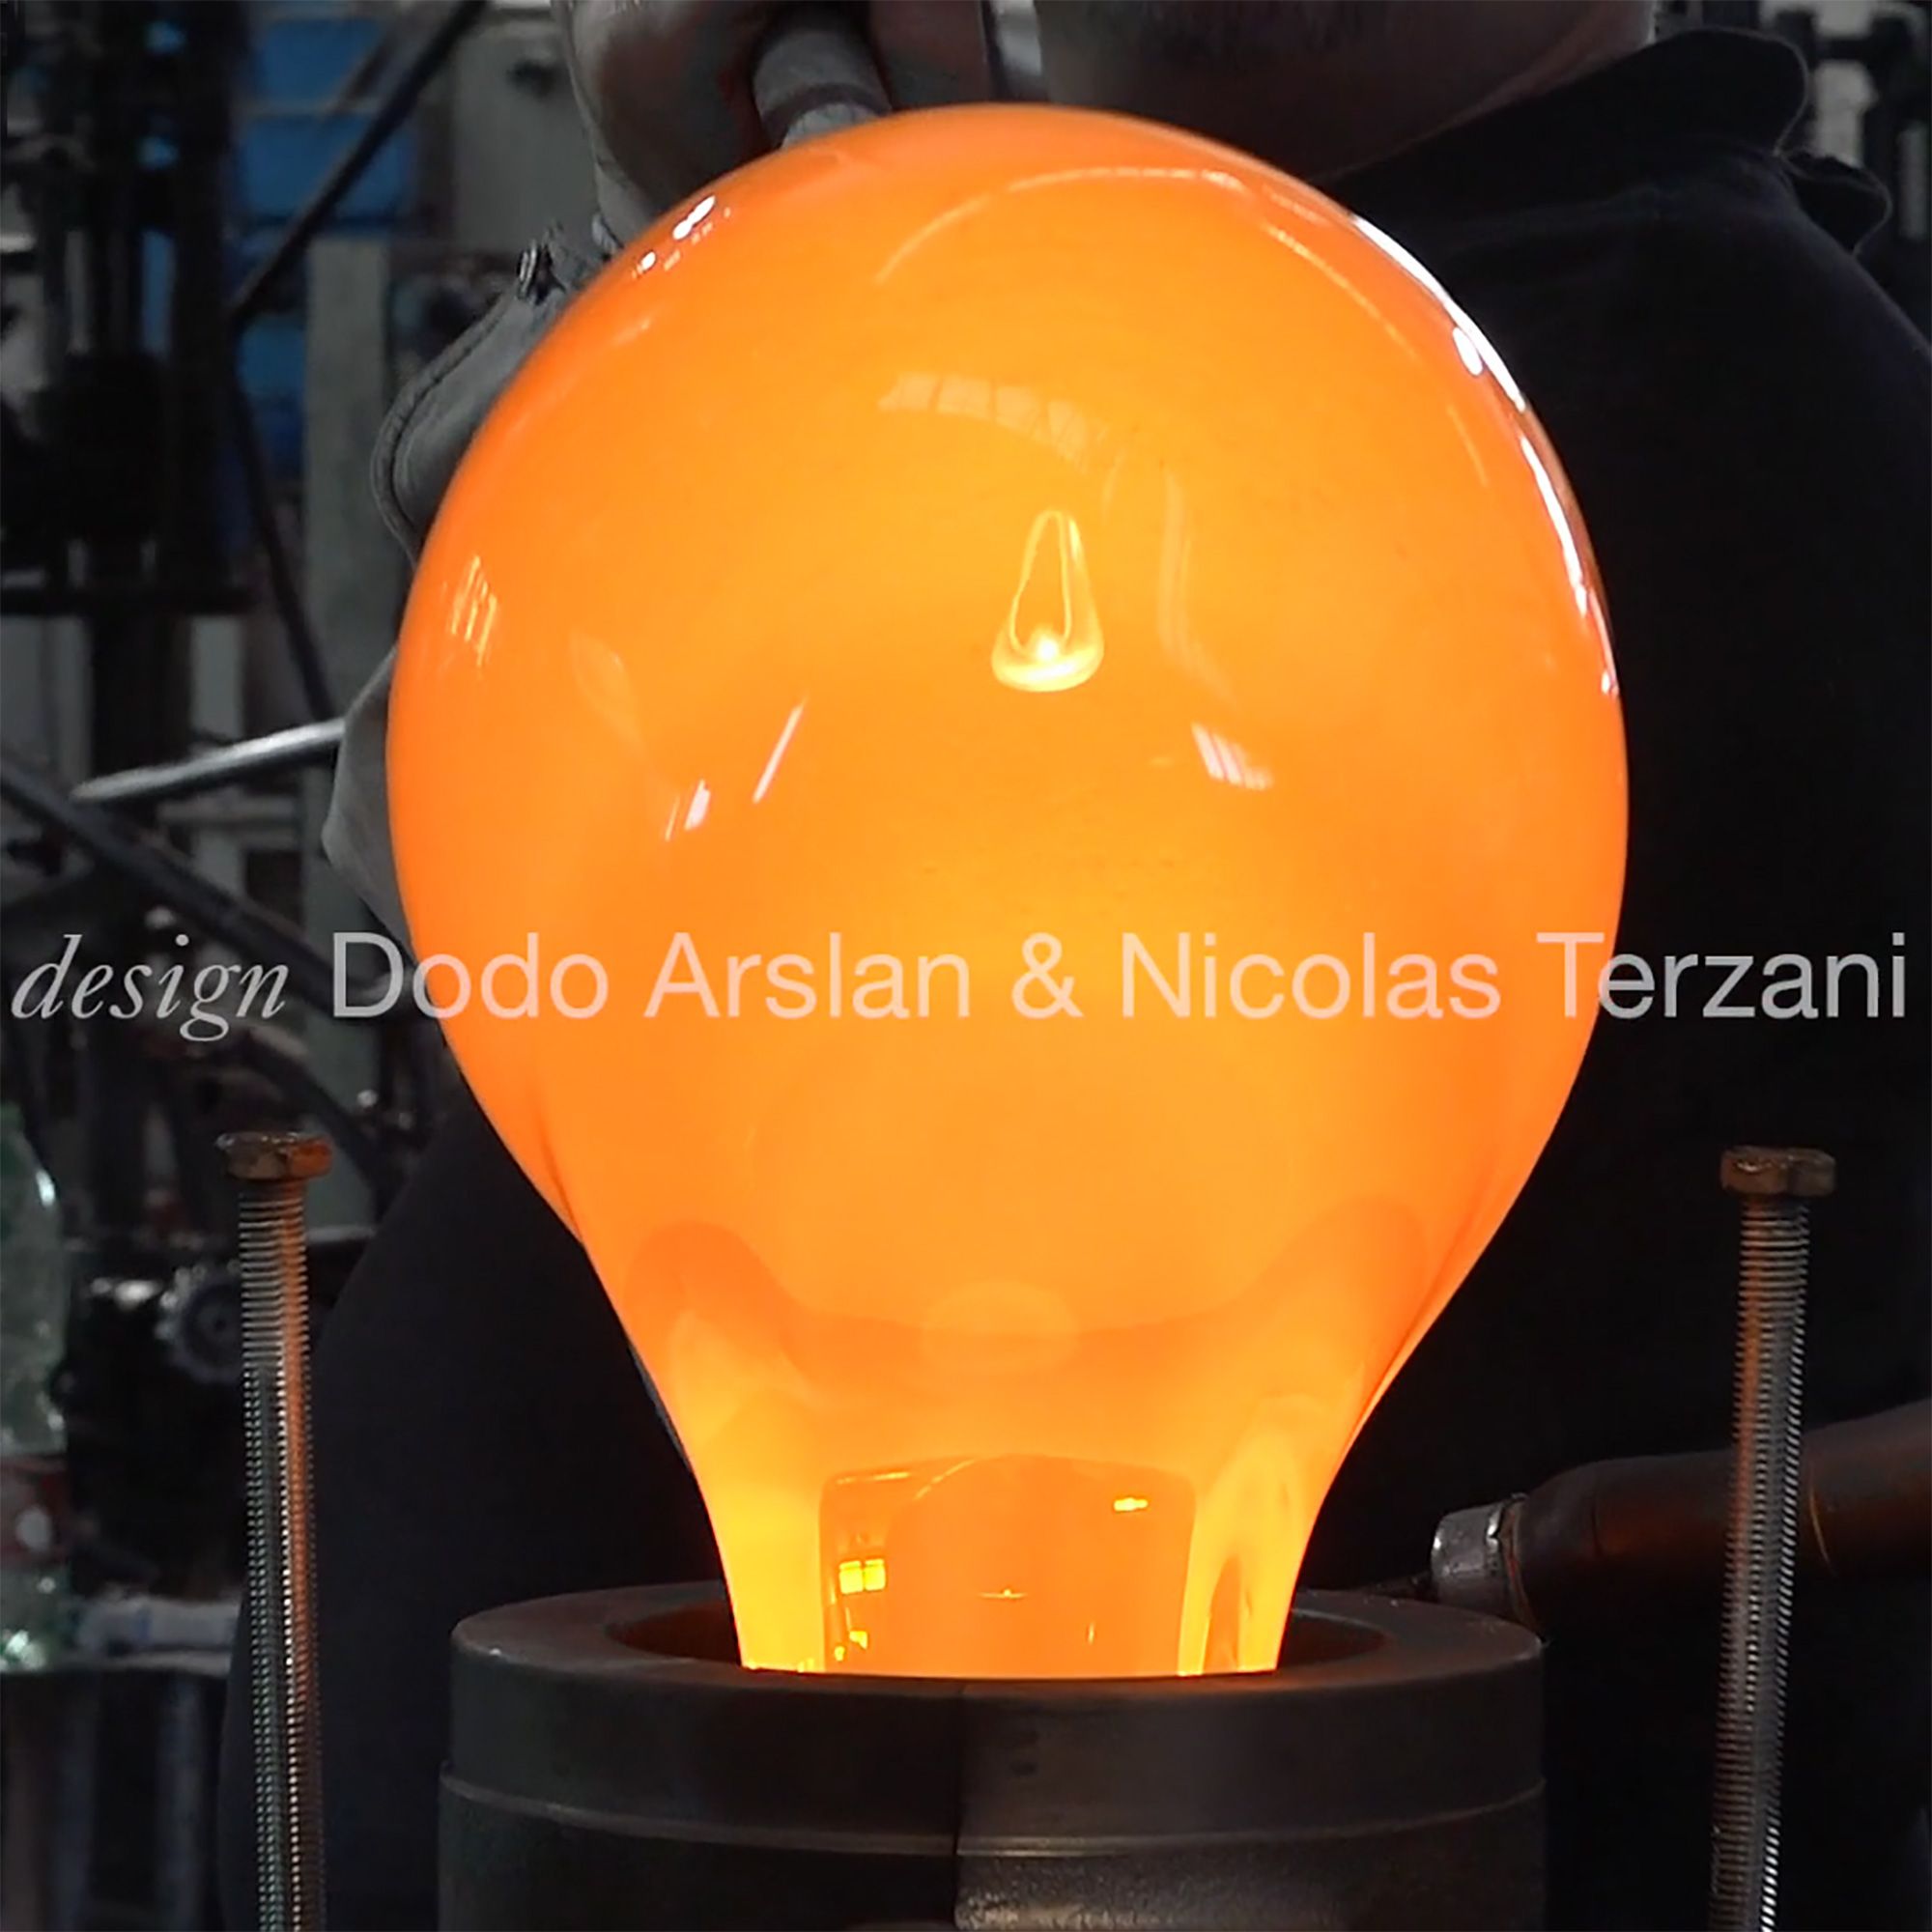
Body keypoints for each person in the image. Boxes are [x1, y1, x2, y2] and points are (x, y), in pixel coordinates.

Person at [219, 5, 1931, 1927]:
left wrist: (787, 250)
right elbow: (498, 824)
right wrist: (724, 244)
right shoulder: (1101, 304)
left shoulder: (1663, 384)